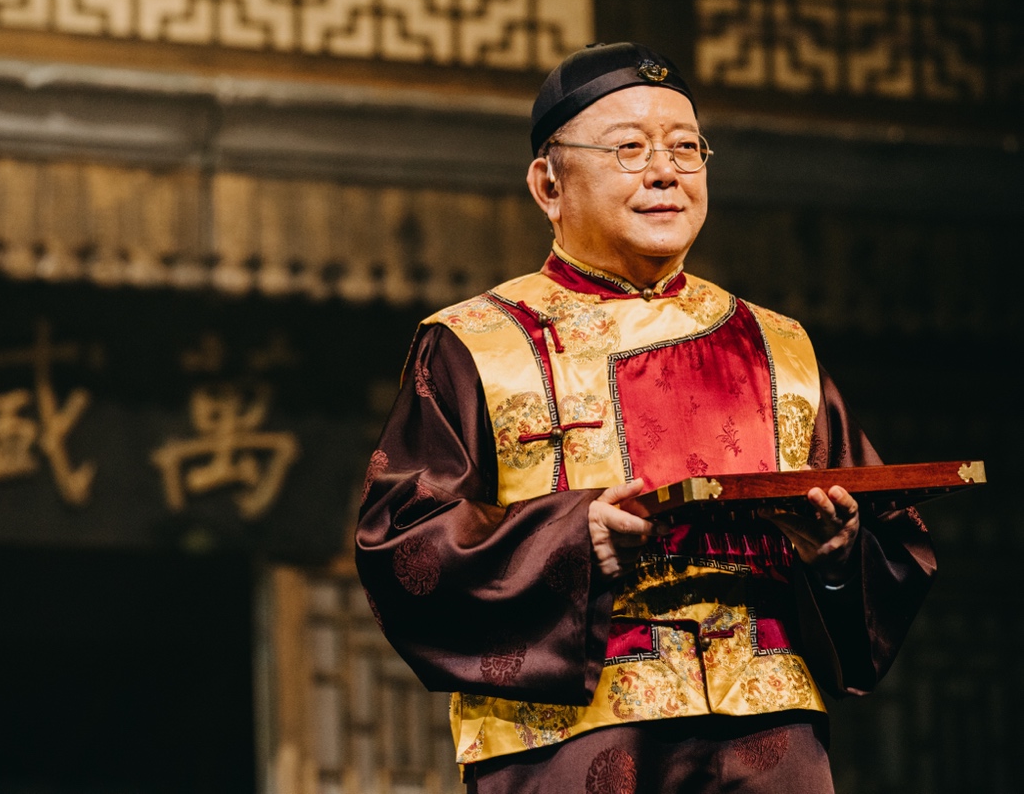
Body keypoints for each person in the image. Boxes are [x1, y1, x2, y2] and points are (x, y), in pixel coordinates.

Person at [354, 42, 936, 793]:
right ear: (548, 183)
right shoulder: (479, 343)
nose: (665, 172)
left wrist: (835, 554)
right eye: (629, 148)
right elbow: (403, 544)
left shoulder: (777, 345)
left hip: (770, 735)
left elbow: (889, 545)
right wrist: (576, 537)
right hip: (579, 736)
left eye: (686, 148)